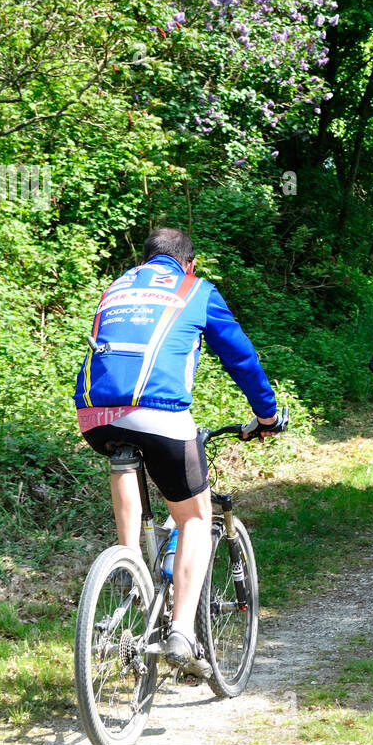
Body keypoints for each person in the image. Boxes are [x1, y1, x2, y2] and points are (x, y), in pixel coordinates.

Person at [74, 228, 279, 677]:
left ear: (145, 259)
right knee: (195, 519)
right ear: (189, 263)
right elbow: (240, 357)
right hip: (160, 415)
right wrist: (267, 414)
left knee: (125, 453)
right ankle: (182, 632)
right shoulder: (196, 289)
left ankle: (127, 568)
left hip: (94, 415)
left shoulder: (116, 289)